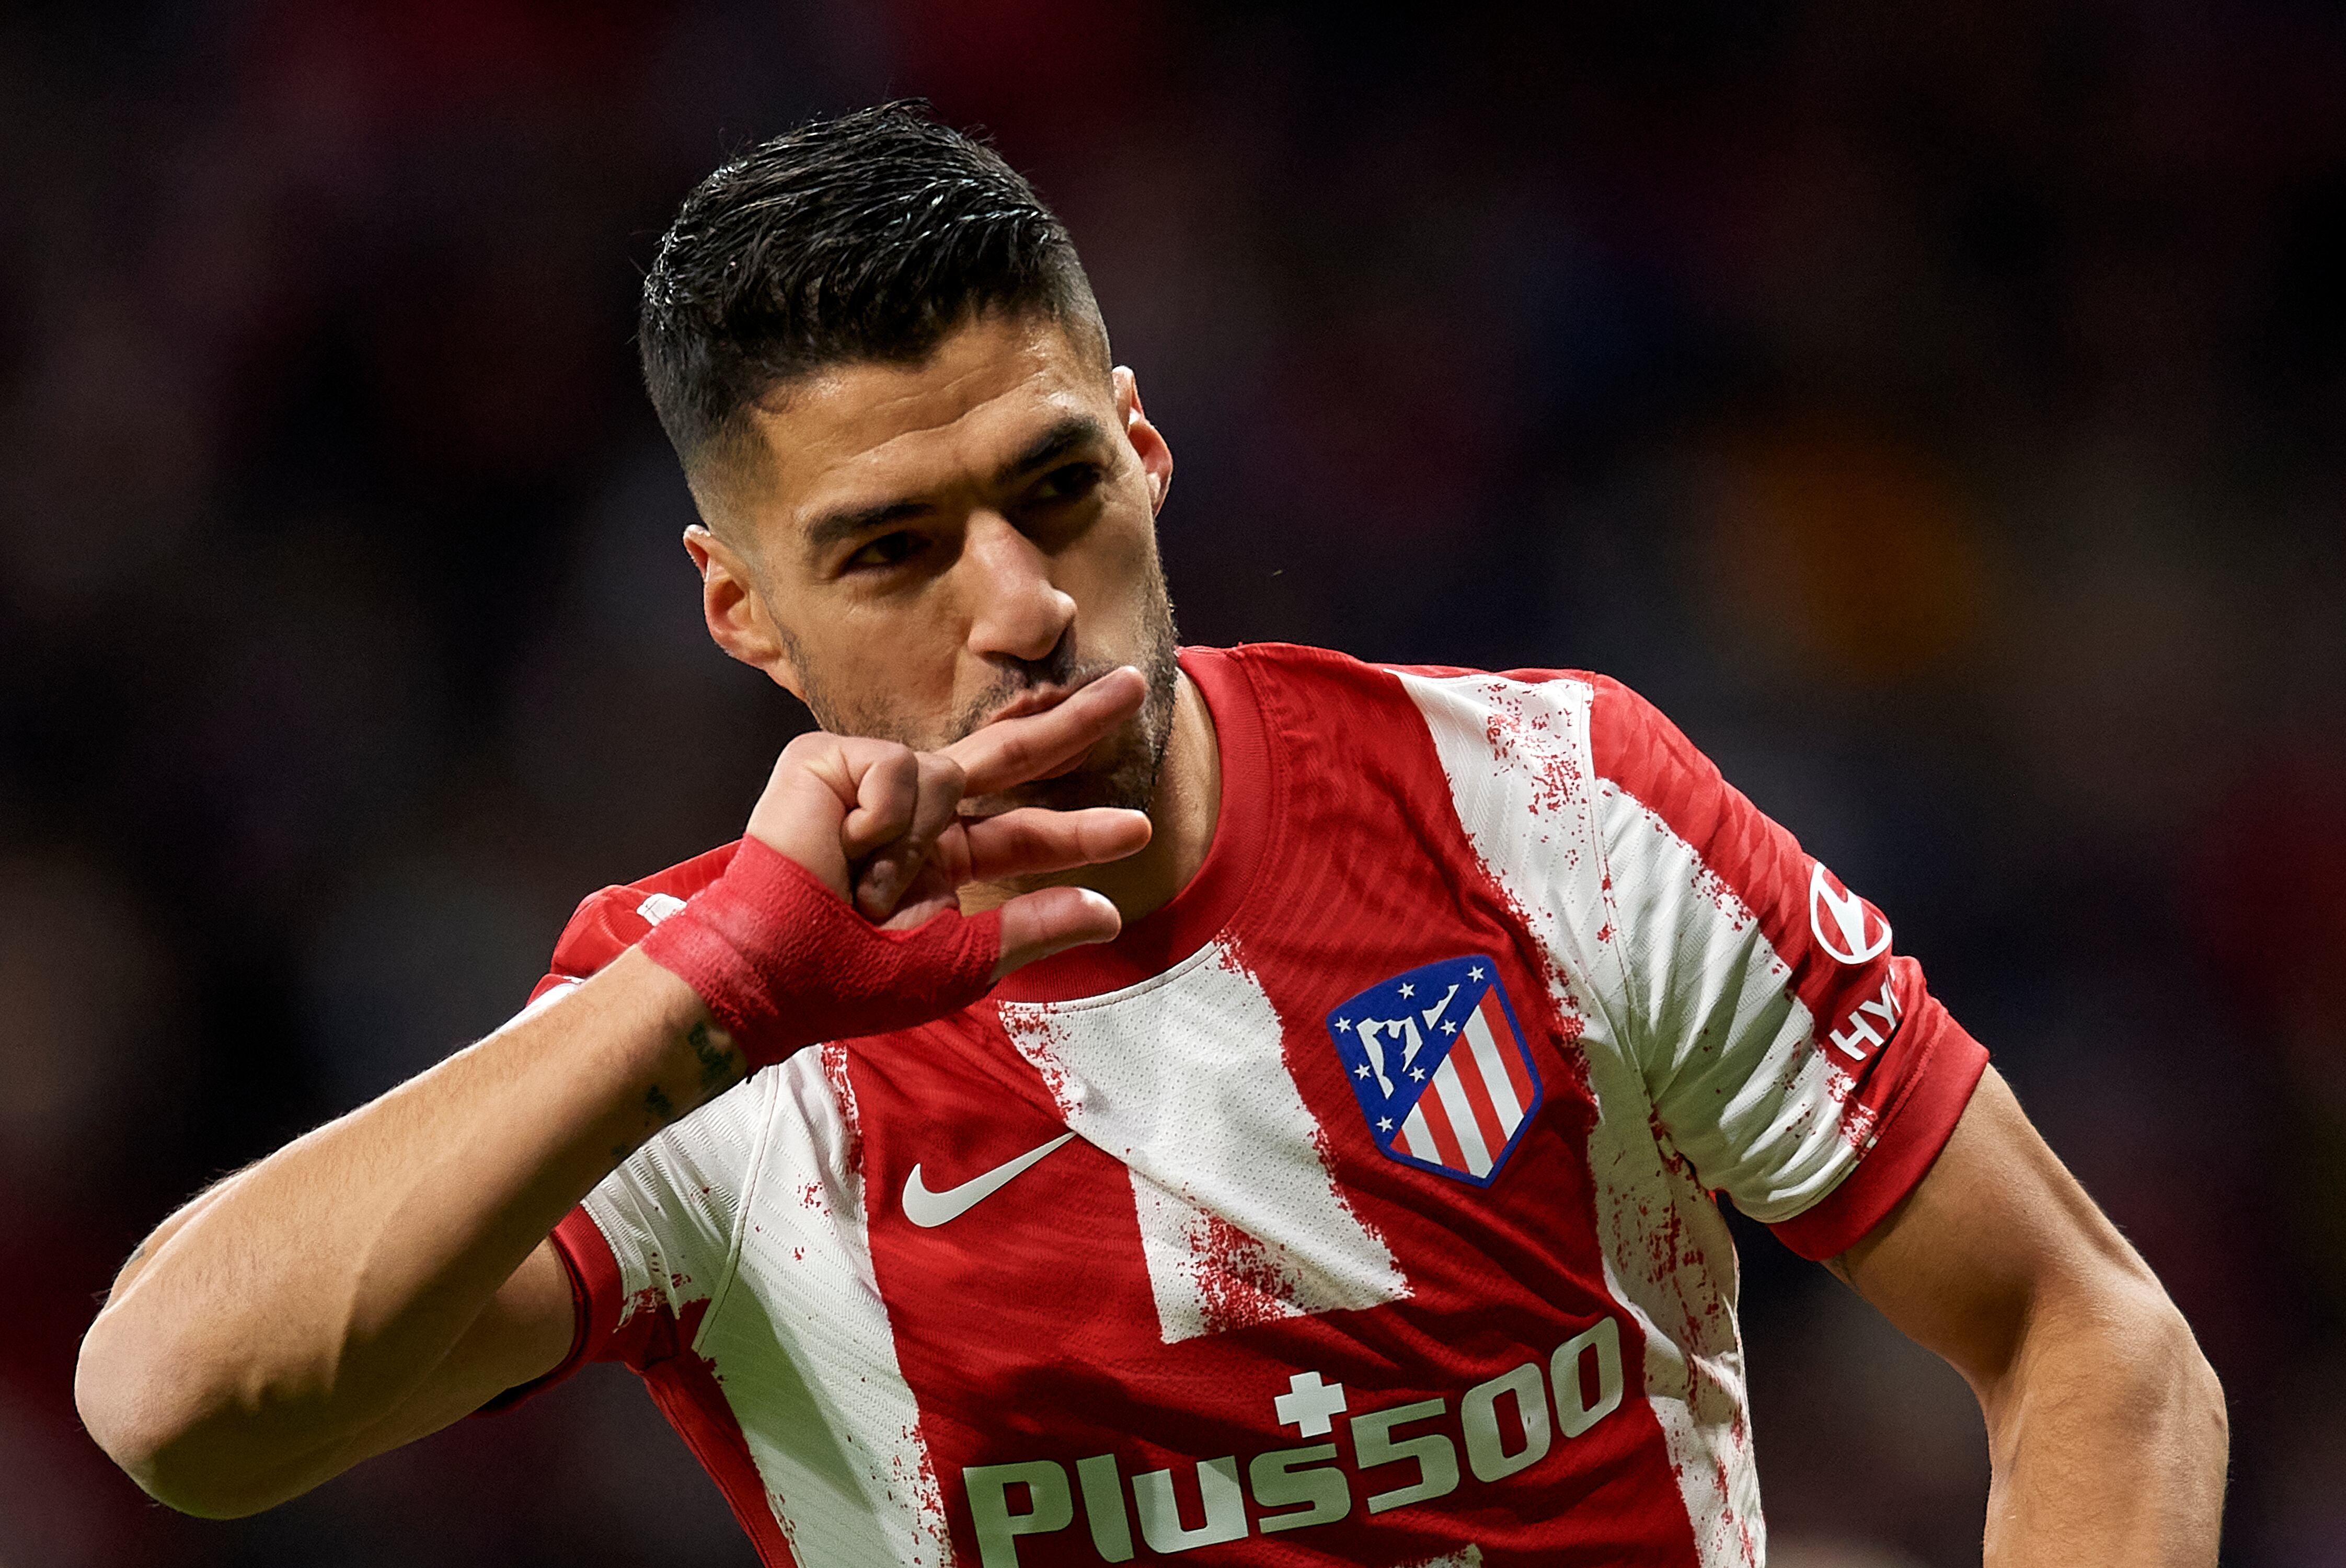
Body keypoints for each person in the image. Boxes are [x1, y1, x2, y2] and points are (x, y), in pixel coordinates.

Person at [77, 102, 2226, 1568]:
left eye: (1055, 491)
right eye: (893, 549)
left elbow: (2088, 1339)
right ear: (742, 611)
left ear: (1145, 445)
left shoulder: (1549, 810)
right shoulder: (708, 1044)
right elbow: (178, 1410)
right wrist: (712, 997)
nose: (1019, 606)